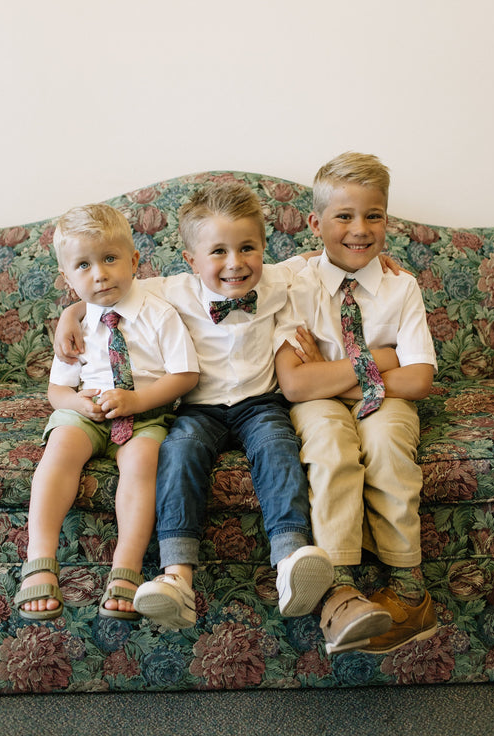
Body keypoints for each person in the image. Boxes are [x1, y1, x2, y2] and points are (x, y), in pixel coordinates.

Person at [55, 183, 336, 628]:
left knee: (279, 449)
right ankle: (176, 578)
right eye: (218, 252)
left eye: (247, 248)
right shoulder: (171, 290)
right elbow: (105, 289)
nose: (235, 263)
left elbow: (324, 261)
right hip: (197, 408)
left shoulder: (281, 278)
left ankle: (289, 562)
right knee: (178, 454)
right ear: (191, 260)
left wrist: (383, 262)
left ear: (264, 248)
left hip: (260, 403)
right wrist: (69, 316)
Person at [274, 152, 438, 654]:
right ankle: (339, 588)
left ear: (386, 219)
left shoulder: (400, 286)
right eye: (343, 216)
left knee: (386, 442)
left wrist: (345, 381)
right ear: (314, 223)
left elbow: (420, 379)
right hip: (319, 403)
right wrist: (380, 358)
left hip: (373, 398)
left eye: (373, 216)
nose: (359, 229)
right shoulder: (290, 282)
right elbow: (296, 387)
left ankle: (411, 593)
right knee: (328, 445)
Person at [15, 203, 199, 621]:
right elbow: (57, 389)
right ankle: (39, 561)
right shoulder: (77, 325)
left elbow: (185, 375)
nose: (99, 274)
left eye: (110, 259)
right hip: (88, 409)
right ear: (67, 278)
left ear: (134, 261)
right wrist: (75, 403)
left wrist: (136, 402)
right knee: (59, 448)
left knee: (143, 461)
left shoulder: (158, 313)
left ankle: (126, 569)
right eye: (84, 265)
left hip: (146, 412)